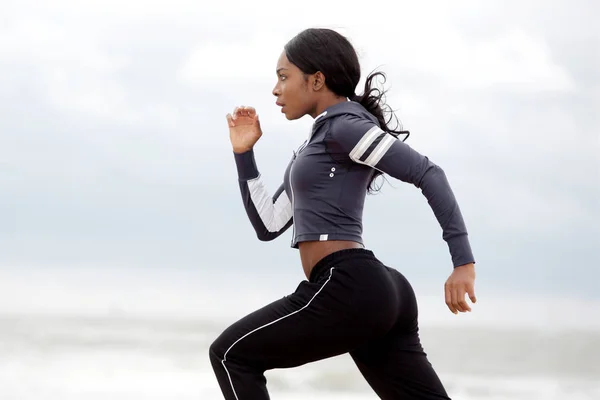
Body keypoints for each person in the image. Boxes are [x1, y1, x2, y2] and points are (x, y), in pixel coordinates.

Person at [209, 27, 477, 400]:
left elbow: (428, 173)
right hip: (373, 290)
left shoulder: (346, 127)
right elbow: (268, 225)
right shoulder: (315, 145)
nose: (275, 89)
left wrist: (462, 262)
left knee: (230, 355)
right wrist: (244, 154)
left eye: (284, 77)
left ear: (316, 80)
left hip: (348, 284)